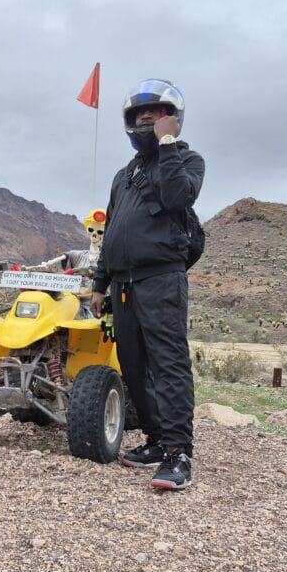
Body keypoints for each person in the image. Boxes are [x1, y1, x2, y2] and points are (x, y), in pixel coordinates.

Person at [91, 79, 205, 490]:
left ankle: (179, 454)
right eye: (139, 115)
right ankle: (156, 441)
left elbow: (178, 198)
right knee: (134, 366)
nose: (145, 121)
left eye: (154, 114)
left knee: (169, 365)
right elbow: (111, 234)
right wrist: (100, 283)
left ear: (171, 119)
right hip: (122, 285)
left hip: (161, 279)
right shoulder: (124, 176)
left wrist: (169, 145)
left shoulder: (188, 160)